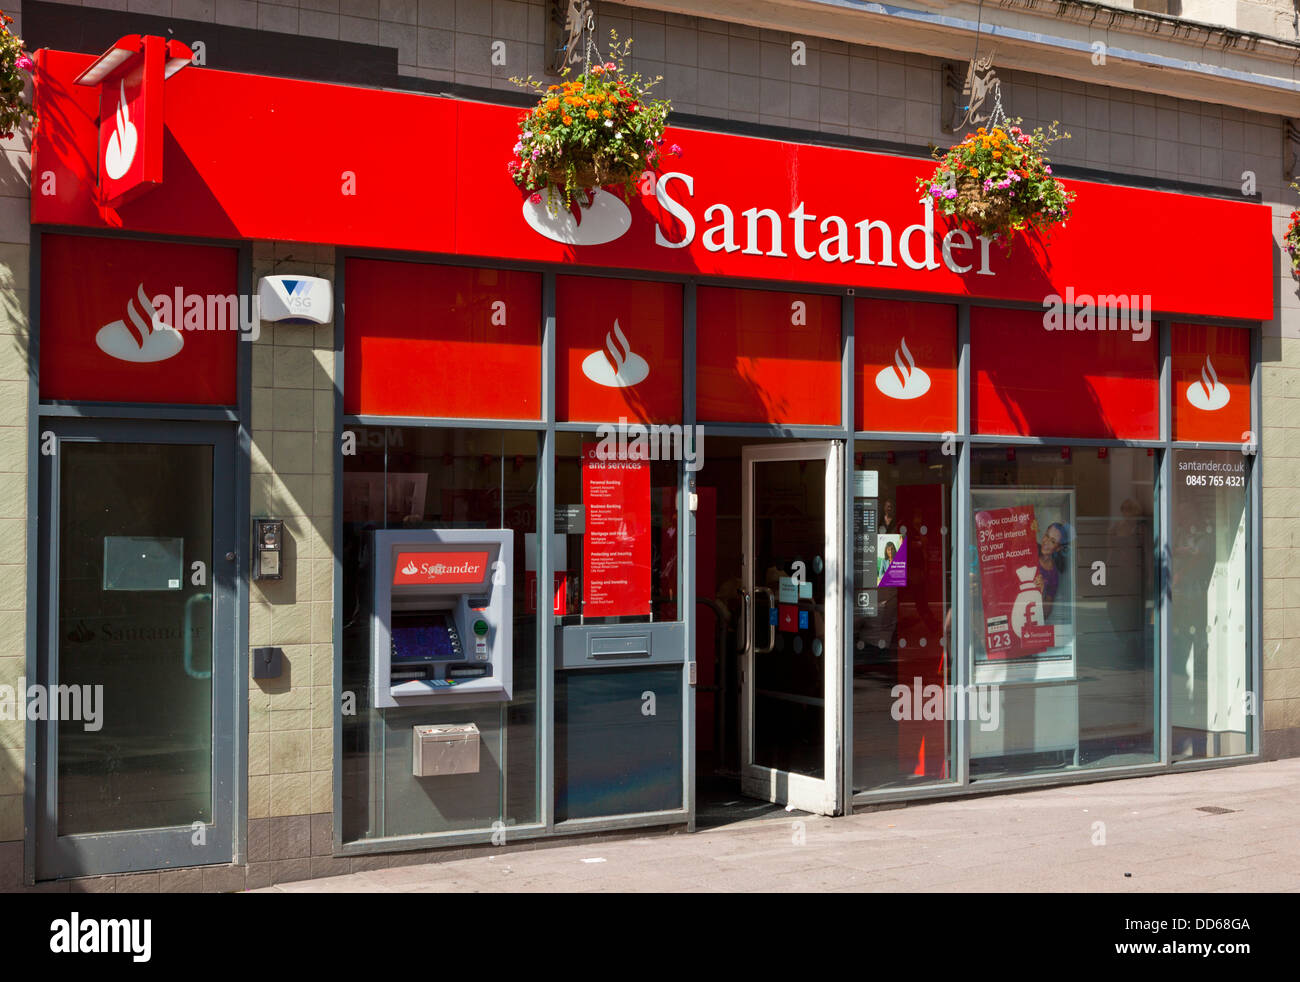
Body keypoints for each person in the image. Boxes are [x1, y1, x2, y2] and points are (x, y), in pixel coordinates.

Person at [1032, 521, 1069, 621]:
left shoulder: (1053, 575)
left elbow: (1045, 614)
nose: (1046, 542)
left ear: (1058, 548)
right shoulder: (1031, 548)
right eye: (1046, 536)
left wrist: (1041, 593)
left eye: (1052, 541)